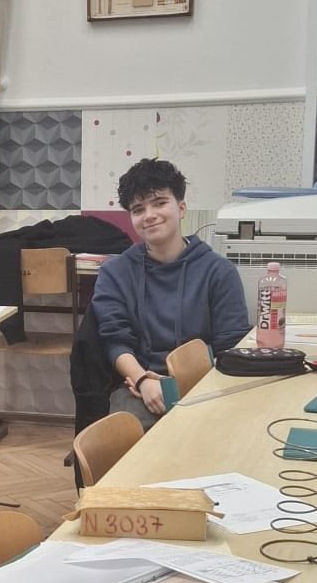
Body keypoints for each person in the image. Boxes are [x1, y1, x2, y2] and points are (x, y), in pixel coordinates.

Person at [89, 157, 250, 427]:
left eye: (159, 203)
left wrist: (182, 383)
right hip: (139, 387)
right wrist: (143, 380)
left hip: (206, 383)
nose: (149, 215)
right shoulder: (115, 272)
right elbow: (115, 342)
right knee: (129, 434)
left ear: (181, 208)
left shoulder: (218, 271)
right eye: (138, 209)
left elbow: (230, 346)